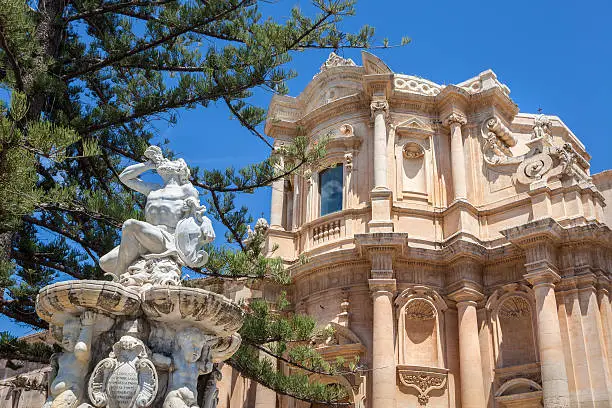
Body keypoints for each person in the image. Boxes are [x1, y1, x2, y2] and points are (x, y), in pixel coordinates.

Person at [99, 146, 214, 280]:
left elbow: (198, 210)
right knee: (105, 262)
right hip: (148, 235)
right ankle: (131, 269)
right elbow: (124, 177)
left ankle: (118, 279)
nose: (165, 161)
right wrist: (148, 165)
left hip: (167, 238)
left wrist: (207, 223)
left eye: (170, 161)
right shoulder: (153, 189)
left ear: (179, 169)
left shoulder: (186, 190)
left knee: (130, 225)